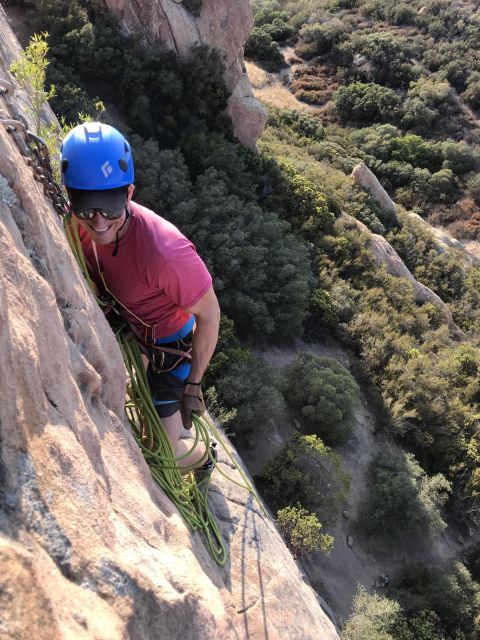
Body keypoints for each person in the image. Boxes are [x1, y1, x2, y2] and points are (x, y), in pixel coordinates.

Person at [60, 121, 220, 473]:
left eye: (110, 210)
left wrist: (193, 385)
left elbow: (210, 314)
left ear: (129, 194)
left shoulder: (165, 253)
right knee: (142, 405)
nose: (99, 223)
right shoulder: (75, 221)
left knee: (165, 454)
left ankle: (205, 456)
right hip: (135, 327)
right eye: (87, 209)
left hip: (170, 350)